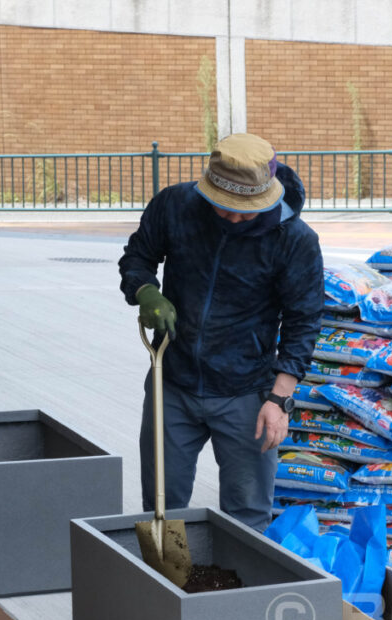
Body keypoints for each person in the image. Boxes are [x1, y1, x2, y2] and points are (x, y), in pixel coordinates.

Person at [118, 133, 323, 531]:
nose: (231, 216)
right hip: (172, 381)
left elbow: (303, 321)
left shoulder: (295, 240)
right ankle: (165, 583)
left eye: (244, 209)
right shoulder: (175, 206)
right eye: (222, 206)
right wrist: (145, 293)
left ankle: (239, 590)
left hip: (247, 392)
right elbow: (138, 257)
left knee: (247, 514)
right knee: (162, 507)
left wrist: (279, 400)